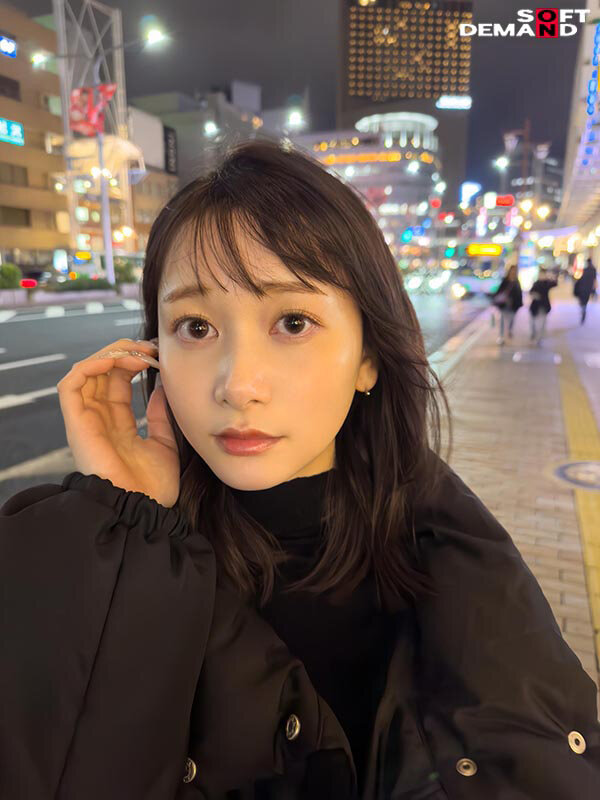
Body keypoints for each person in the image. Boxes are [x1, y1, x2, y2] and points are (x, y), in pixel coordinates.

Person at [1, 140, 600, 799]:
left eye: (292, 321)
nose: (238, 384)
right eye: (195, 327)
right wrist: (123, 522)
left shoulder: (456, 561)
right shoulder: (87, 554)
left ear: (368, 357)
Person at [492, 262, 523, 345]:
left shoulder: (516, 282)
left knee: (511, 320)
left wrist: (519, 304)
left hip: (513, 305)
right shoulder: (505, 280)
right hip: (504, 304)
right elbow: (500, 291)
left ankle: (509, 330)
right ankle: (501, 336)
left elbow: (519, 294)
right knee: (502, 320)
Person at [529, 267, 558, 346]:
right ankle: (534, 335)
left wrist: (551, 277)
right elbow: (531, 292)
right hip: (535, 306)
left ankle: (539, 338)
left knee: (542, 324)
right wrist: (535, 295)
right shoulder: (536, 283)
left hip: (544, 307)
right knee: (534, 323)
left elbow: (555, 283)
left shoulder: (547, 283)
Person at [574, 257, 598, 324]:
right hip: (588, 288)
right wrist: (594, 289)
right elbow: (594, 280)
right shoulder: (593, 269)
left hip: (583, 287)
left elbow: (581, 278)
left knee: (582, 300)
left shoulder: (585, 269)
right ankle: (584, 308)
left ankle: (583, 309)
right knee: (585, 300)